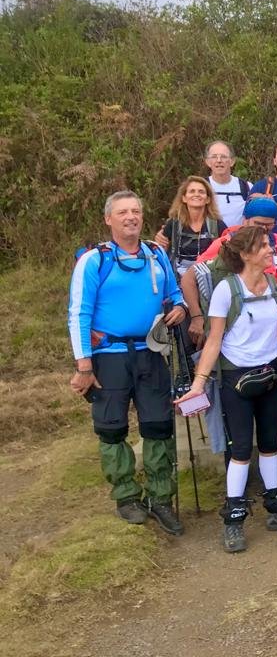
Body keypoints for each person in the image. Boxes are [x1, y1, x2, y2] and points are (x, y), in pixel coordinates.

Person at [175, 226, 277, 552]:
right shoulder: (226, 290)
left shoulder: (276, 287)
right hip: (236, 378)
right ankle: (233, 520)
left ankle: (276, 509)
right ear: (246, 254)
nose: (270, 250)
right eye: (263, 246)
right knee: (242, 450)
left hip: (270, 373)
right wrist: (199, 384)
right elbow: (214, 340)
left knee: (271, 444)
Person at [68, 191, 186, 535]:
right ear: (109, 219)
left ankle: (160, 498)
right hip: (108, 357)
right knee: (111, 428)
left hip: (152, 352)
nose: (131, 217)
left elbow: (174, 294)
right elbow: (79, 314)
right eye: (122, 212)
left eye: (135, 211)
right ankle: (126, 496)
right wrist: (84, 366)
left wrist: (179, 308)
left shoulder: (156, 254)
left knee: (158, 425)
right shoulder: (94, 261)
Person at [183, 196, 277, 335]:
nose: (263, 229)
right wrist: (196, 317)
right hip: (234, 315)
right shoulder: (228, 243)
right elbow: (189, 278)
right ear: (245, 220)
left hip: (271, 312)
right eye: (258, 223)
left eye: (269, 225)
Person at [155, 176, 227, 277]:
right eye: (192, 191)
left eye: (201, 192)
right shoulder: (174, 224)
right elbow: (161, 252)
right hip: (177, 279)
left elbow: (228, 253)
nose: (196, 194)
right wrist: (160, 242)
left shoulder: (217, 225)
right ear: (184, 198)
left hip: (209, 278)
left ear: (208, 199)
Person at [204, 140, 251, 227]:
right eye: (214, 157)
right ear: (207, 162)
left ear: (232, 161)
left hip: (239, 235)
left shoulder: (246, 187)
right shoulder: (201, 186)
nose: (219, 160)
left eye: (223, 157)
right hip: (209, 235)